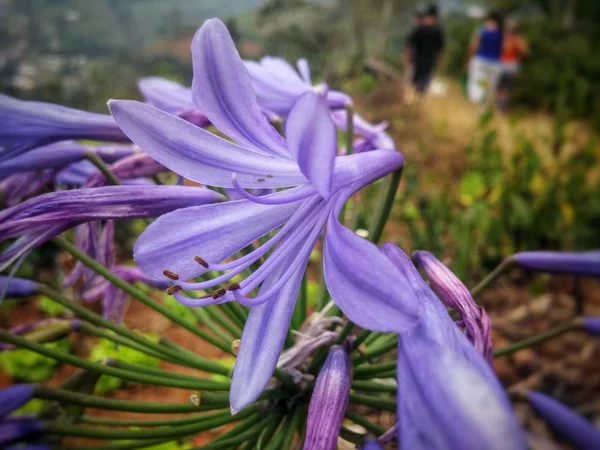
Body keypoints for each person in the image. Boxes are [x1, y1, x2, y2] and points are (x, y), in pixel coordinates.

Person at [405, 5, 445, 95]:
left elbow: (409, 47)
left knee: (412, 85)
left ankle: (410, 103)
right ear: (436, 16)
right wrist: (439, 63)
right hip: (430, 63)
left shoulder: (419, 28)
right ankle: (418, 103)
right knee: (423, 87)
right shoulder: (438, 30)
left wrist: (407, 62)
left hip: (417, 61)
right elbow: (441, 50)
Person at [466, 11, 504, 104]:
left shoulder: (482, 29)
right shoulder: (501, 32)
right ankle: (486, 108)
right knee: (490, 89)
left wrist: (469, 59)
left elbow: (474, 45)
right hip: (495, 63)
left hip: (480, 61)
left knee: (476, 85)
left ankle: (474, 105)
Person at [497, 20, 528, 111]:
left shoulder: (503, 38)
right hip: (513, 66)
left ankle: (499, 108)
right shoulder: (519, 39)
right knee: (506, 89)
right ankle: (502, 107)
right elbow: (525, 51)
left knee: (499, 88)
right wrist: (519, 59)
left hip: (501, 65)